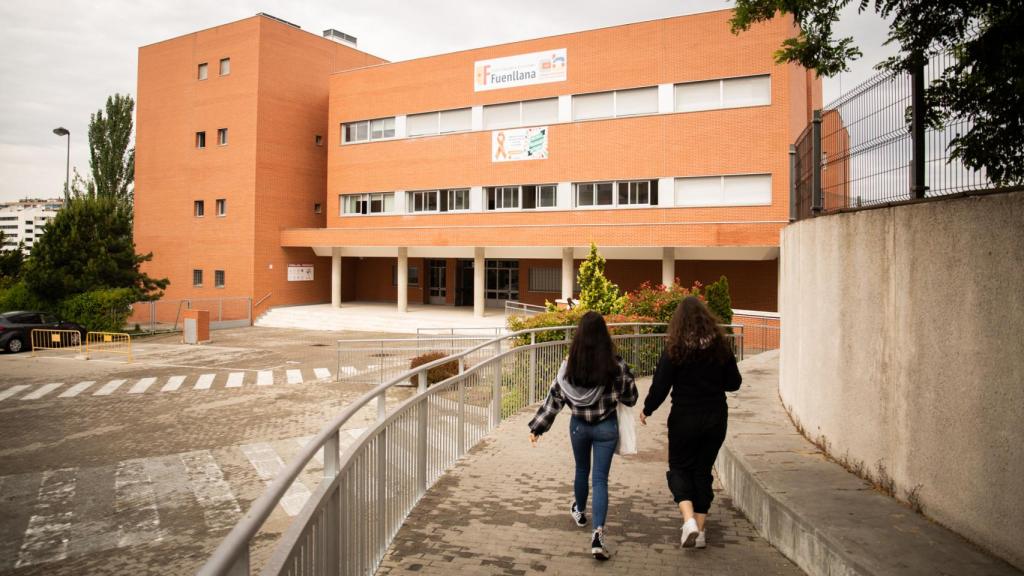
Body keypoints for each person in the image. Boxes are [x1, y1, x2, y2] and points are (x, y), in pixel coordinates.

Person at [528, 311, 638, 560]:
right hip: (606, 428)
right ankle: (598, 535)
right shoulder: (615, 365)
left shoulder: (569, 367)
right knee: (600, 480)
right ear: (604, 336)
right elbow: (631, 397)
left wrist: (537, 428)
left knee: (581, 470)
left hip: (578, 427)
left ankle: (579, 511)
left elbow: (554, 399)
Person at [639, 296, 741, 549]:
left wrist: (647, 409)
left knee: (679, 467)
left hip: (684, 417)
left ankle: (689, 521)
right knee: (703, 471)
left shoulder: (675, 348)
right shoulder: (721, 347)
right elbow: (734, 383)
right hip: (715, 417)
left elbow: (661, 385)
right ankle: (701, 531)